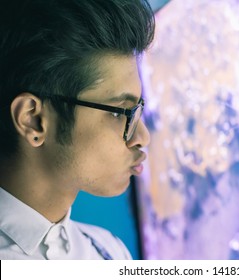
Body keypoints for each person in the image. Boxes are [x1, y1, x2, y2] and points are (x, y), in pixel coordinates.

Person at [0, 0, 155, 259]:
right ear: (33, 119)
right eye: (119, 112)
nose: (142, 137)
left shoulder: (109, 251)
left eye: (138, 108)